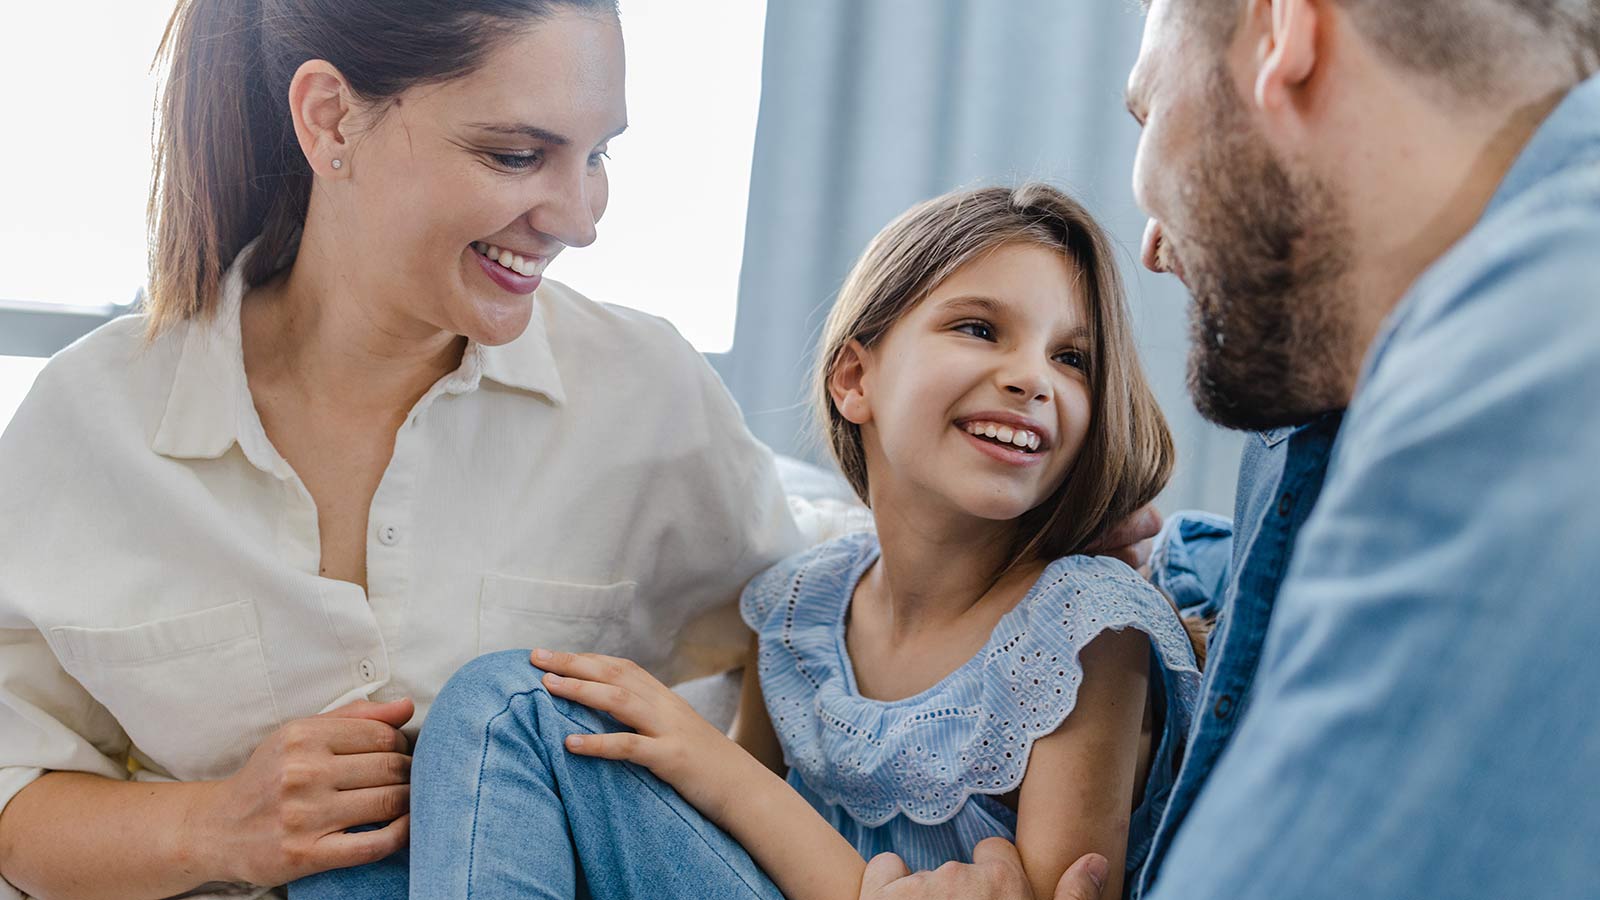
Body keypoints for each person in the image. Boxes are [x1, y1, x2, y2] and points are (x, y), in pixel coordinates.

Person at [0, 2, 804, 898]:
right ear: (331, 118)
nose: (580, 220)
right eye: (515, 155)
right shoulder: (92, 420)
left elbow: (809, 642)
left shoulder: (647, 395)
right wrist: (216, 827)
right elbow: (11, 797)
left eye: (599, 154)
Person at [865, 0, 1600, 898]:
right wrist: (1183, 571)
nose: (1147, 247)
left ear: (1283, 31)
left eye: (1146, 110)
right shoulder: (1351, 381)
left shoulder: (1532, 383)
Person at [364, 183, 1206, 900]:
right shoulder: (803, 606)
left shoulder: (1086, 633)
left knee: (510, 706)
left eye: (1073, 359)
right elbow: (729, 861)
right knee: (373, 855)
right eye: (981, 329)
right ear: (854, 379)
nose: (1033, 378)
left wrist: (711, 764)